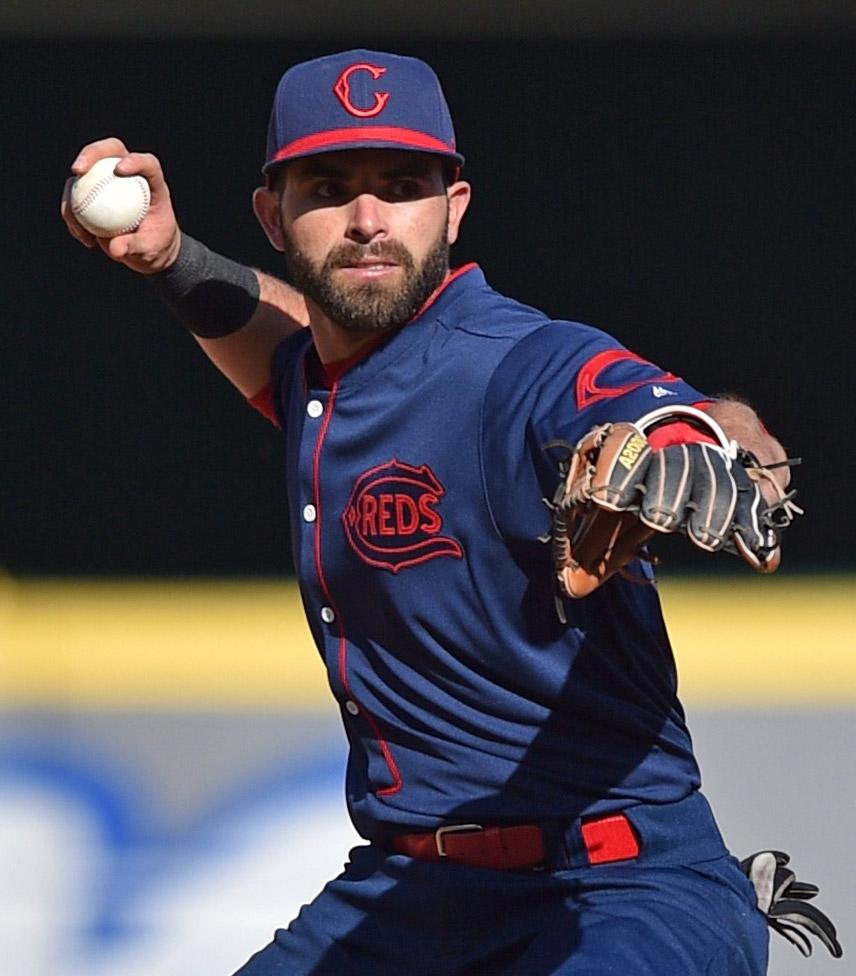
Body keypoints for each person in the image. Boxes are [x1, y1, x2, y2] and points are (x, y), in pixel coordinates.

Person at [62, 49, 832, 976]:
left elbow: (692, 419)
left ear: (454, 208)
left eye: (402, 184)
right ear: (273, 215)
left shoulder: (521, 366)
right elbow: (282, 340)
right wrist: (170, 258)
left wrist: (714, 452)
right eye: (329, 187)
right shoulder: (329, 378)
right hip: (409, 892)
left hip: (616, 889)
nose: (369, 221)